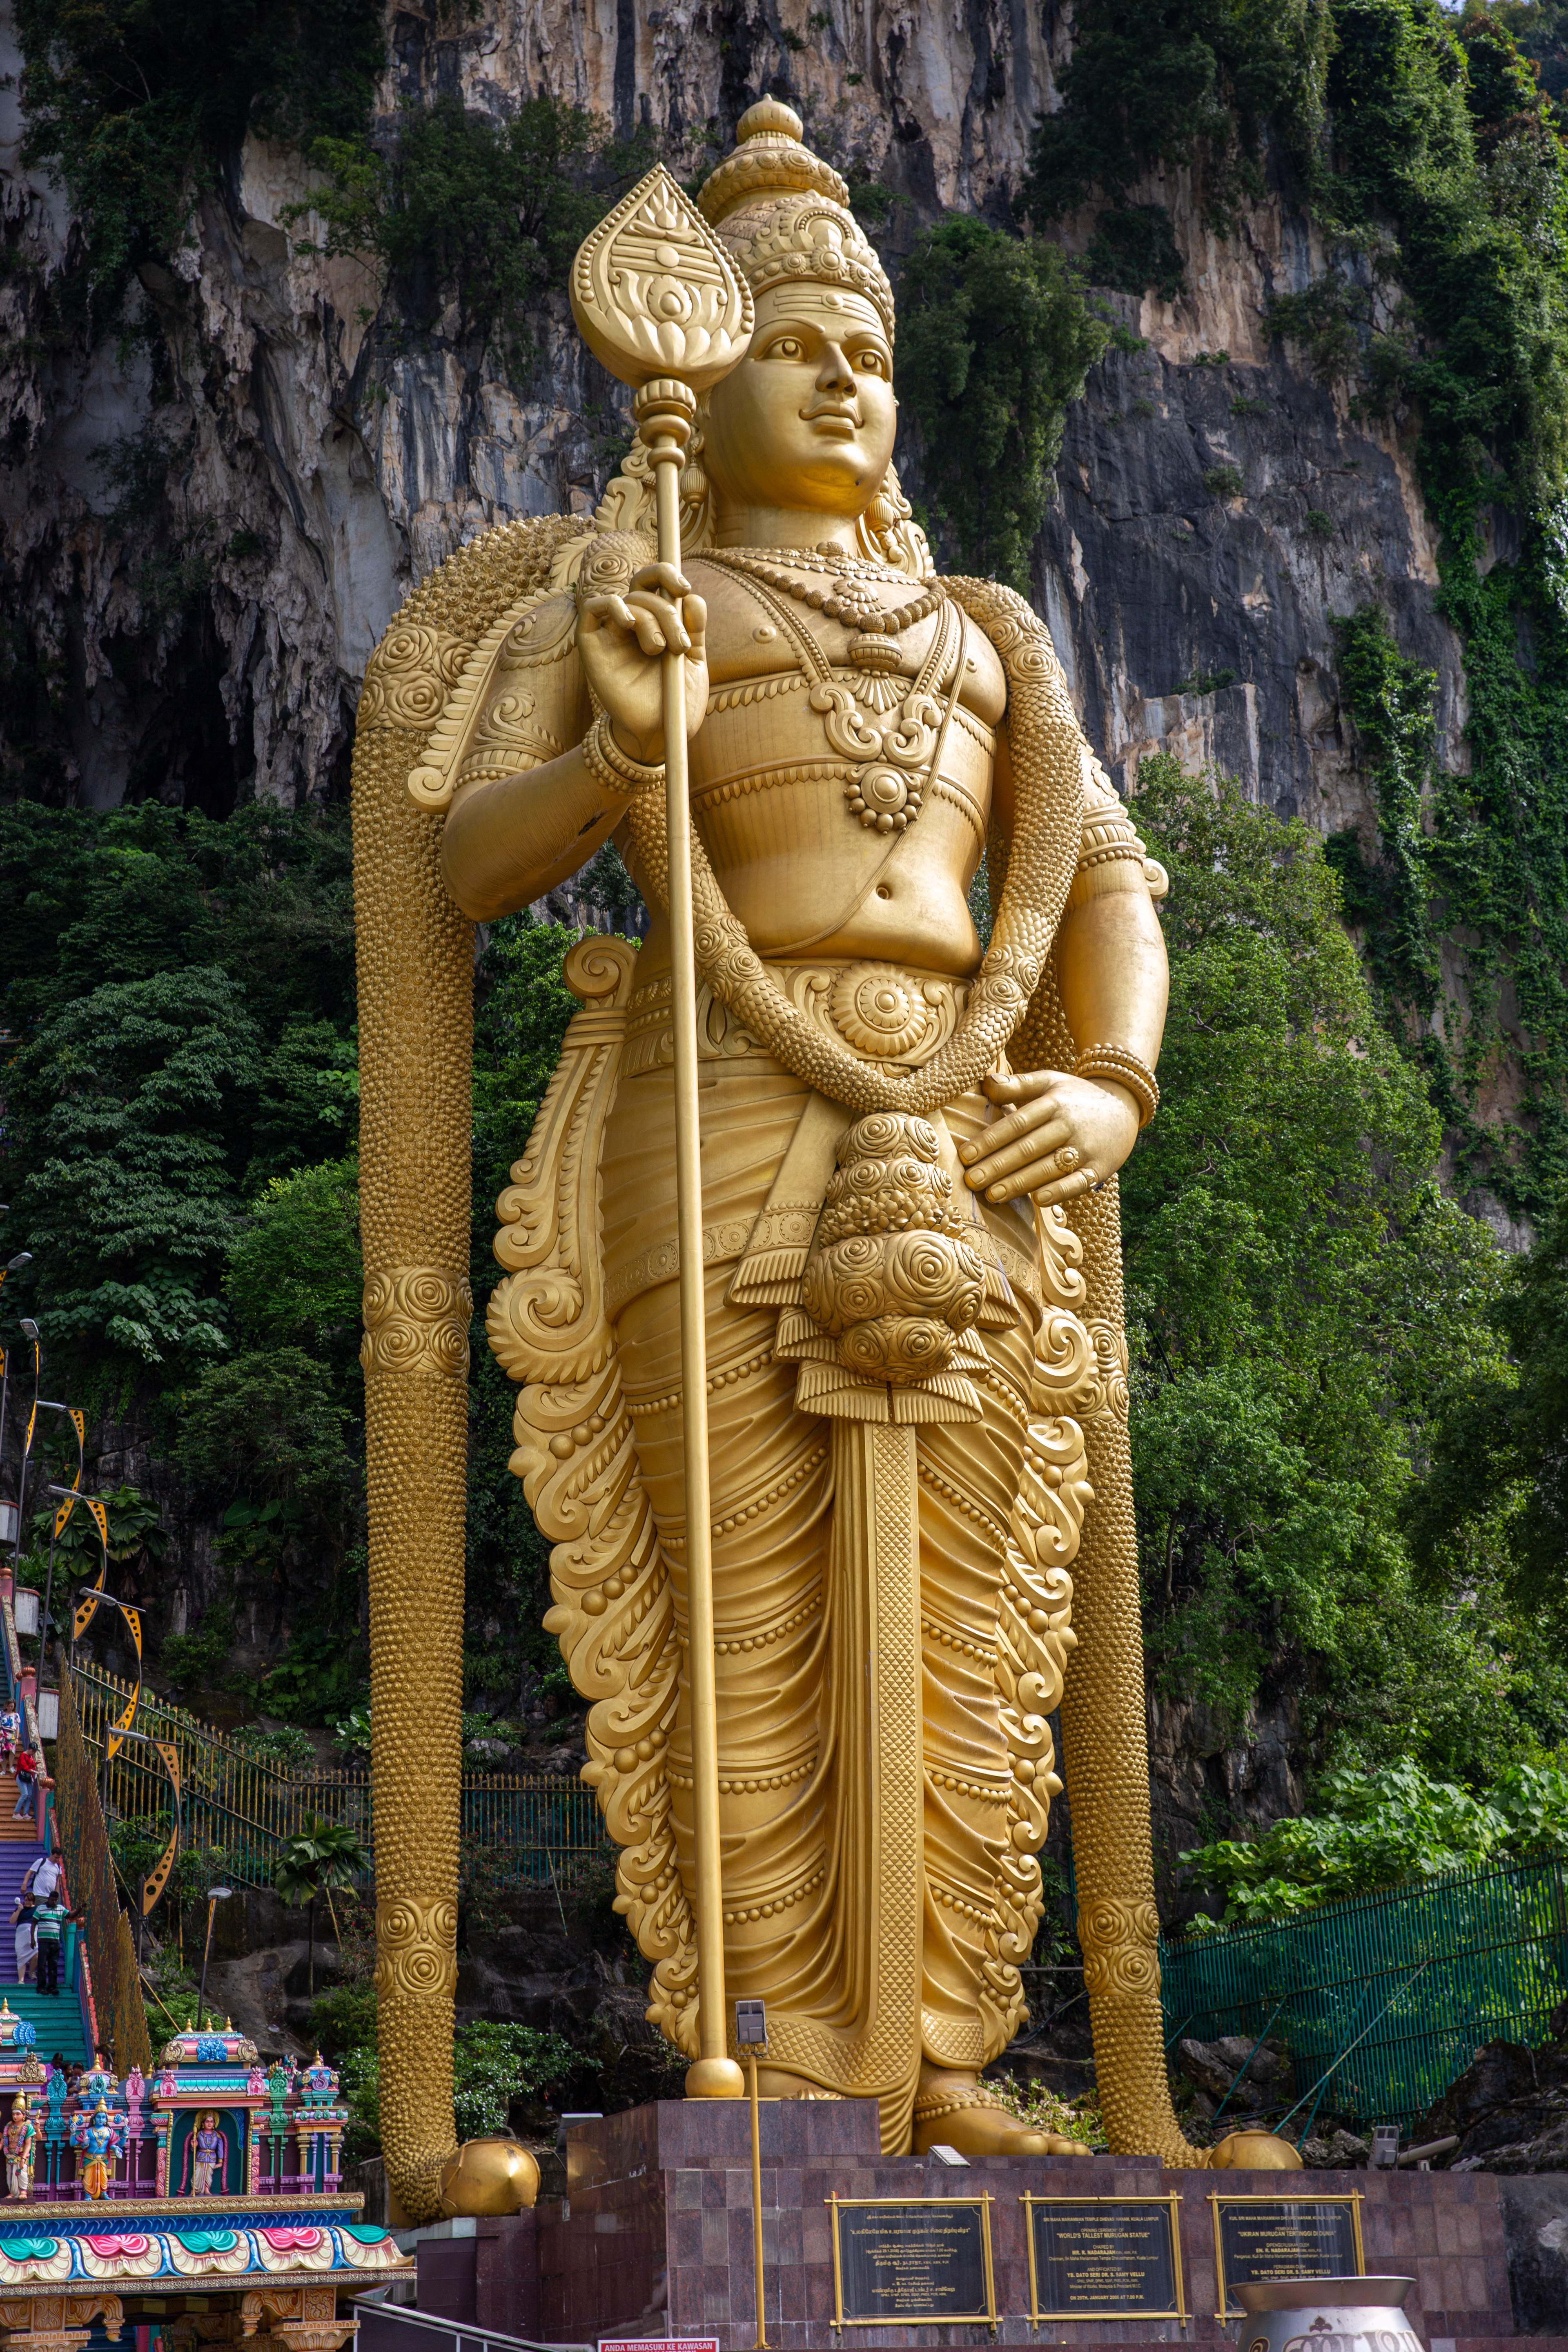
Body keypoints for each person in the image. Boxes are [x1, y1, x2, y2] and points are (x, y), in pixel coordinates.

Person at [421, 99, 1169, 2164]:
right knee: (734, 1605)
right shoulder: (630, 585)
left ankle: (936, 2049)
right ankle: (767, 2042)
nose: (844, 376)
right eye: (794, 344)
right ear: (696, 378)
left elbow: (1107, 887)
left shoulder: (987, 633)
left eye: (869, 351)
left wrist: (1103, 1082)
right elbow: (459, 867)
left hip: (983, 1120)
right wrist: (603, 753)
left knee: (978, 1598)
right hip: (720, 1108)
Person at [30, 1892, 68, 1996]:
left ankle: (52, 1987)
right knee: (42, 1964)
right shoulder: (41, 1908)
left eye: (56, 1900)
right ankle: (41, 1987)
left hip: (55, 1942)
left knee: (54, 1965)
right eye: (52, 1900)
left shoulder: (60, 1909)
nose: (54, 1902)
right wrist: (33, 1939)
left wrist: (81, 1908)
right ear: (48, 1899)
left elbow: (71, 1915)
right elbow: (33, 1923)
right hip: (43, 1941)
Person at [1, 2095, 35, 2202]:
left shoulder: (27, 2126)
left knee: (21, 2172)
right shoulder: (9, 2126)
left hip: (21, 2155)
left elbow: (28, 2144)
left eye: (18, 2114)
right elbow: (3, 2141)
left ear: (24, 2115)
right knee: (10, 2175)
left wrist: (24, 2158)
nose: (15, 2117)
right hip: (9, 2155)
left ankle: (23, 2191)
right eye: (13, 2114)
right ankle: (13, 2192)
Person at [10, 1896, 34, 1988]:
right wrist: (19, 1911)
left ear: (33, 1901)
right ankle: (21, 1980)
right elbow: (12, 1921)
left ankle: (32, 1972)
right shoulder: (20, 1908)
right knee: (21, 1956)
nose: (28, 1902)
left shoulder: (36, 1910)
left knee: (36, 1952)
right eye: (26, 1900)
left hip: (32, 1934)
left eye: (30, 1900)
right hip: (21, 1934)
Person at [12, 1751, 36, 1822]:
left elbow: (31, 1765)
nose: (33, 1753)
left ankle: (26, 1814)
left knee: (29, 1795)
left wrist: (36, 1763)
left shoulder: (30, 1757)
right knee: (25, 1794)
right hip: (21, 1776)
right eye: (33, 1751)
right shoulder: (23, 1755)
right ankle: (16, 1813)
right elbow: (25, 1767)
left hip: (28, 1777)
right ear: (30, 1749)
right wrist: (35, 1772)